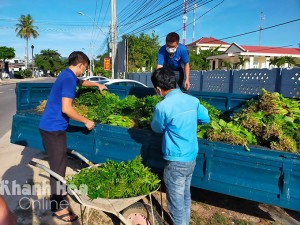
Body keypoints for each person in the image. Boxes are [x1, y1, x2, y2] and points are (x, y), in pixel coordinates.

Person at [39, 51, 107, 222]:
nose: (84, 71)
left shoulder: (67, 74)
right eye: (85, 68)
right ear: (81, 64)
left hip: (52, 127)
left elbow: (81, 82)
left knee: (59, 164)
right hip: (53, 129)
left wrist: (97, 85)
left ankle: (60, 197)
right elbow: (67, 109)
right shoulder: (69, 78)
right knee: (57, 168)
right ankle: (57, 208)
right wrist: (86, 121)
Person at [150, 68, 210, 225]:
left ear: (158, 89)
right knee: (185, 196)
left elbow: (157, 128)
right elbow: (205, 119)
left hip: (175, 161)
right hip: (191, 157)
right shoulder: (192, 100)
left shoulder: (162, 107)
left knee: (176, 204)